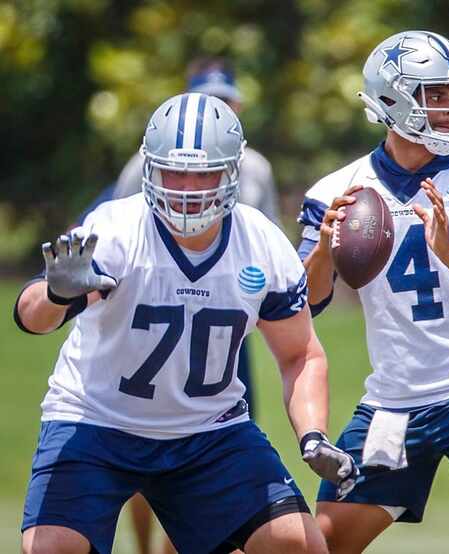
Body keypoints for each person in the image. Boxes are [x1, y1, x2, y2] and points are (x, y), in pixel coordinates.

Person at [14, 93, 357, 554]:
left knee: (296, 544)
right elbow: (32, 318)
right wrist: (56, 293)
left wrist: (313, 435)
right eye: (175, 170)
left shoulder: (260, 242)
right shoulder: (116, 230)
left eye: (204, 173)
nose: (188, 187)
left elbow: (300, 353)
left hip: (207, 432)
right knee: (52, 548)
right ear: (149, 169)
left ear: (233, 171)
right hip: (97, 423)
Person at [296, 30, 449, 552]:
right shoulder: (339, 190)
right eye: (435, 95)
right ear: (389, 98)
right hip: (395, 398)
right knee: (320, 544)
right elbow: (308, 302)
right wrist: (321, 249)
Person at [109, 57, 278, 554]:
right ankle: (143, 548)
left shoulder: (257, 167)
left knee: (217, 443)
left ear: (237, 105)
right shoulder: (144, 165)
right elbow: (123, 230)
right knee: (142, 442)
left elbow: (262, 238)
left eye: (224, 99)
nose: (218, 106)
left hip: (223, 326)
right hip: (155, 322)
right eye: (208, 98)